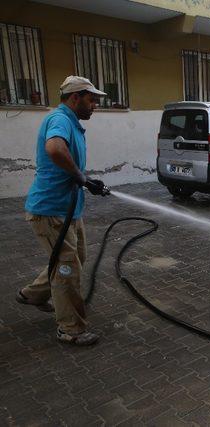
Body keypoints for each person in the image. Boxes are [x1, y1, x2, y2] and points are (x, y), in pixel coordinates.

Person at [17, 76, 109, 346]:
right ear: (74, 97)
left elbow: (65, 160)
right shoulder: (60, 120)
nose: (95, 105)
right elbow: (55, 149)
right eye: (91, 99)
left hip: (67, 208)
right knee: (67, 267)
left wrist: (86, 180)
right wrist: (81, 177)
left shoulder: (71, 123)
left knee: (75, 257)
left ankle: (32, 294)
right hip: (50, 210)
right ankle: (70, 329)